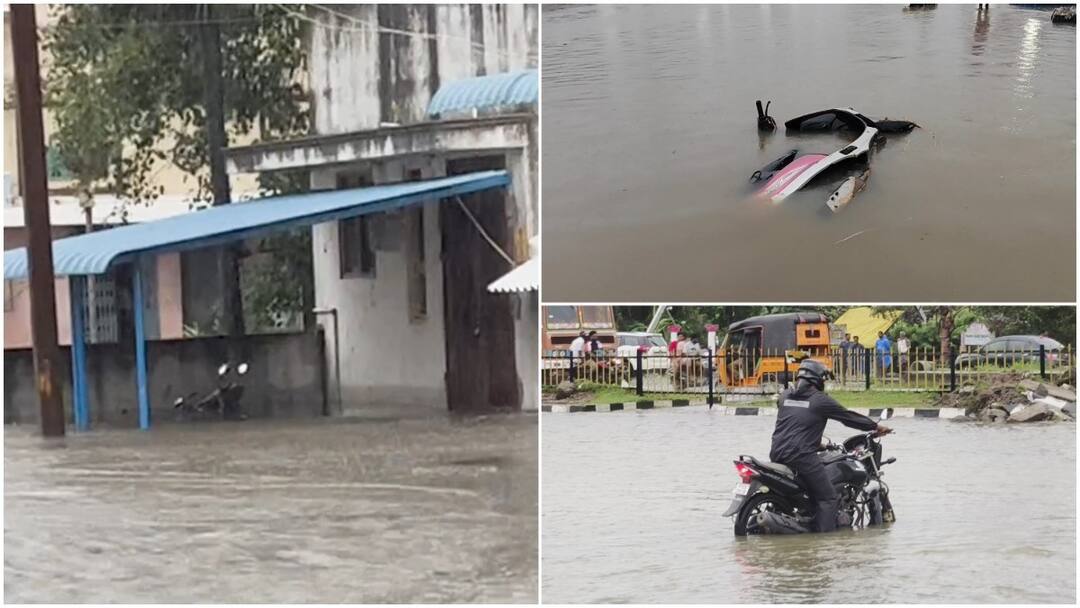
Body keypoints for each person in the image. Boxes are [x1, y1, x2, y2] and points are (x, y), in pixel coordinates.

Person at [770, 359, 891, 532]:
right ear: (817, 379)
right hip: (801, 456)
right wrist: (875, 426)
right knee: (828, 498)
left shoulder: (785, 396)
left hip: (777, 453)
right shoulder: (820, 400)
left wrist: (819, 445)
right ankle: (824, 540)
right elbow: (847, 417)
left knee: (811, 491)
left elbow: (795, 425)